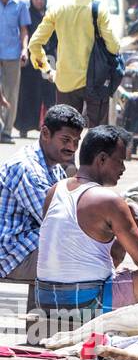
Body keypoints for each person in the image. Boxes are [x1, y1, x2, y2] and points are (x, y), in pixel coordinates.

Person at [35, 125, 138, 314]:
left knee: (118, 249)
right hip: (86, 303)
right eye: (120, 161)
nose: (123, 168)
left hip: (45, 298)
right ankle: (126, 323)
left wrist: (128, 211)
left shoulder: (55, 190)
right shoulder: (109, 201)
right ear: (101, 159)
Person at [0, 105, 86, 309]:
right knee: (85, 255)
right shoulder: (27, 169)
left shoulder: (53, 166)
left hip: (30, 244)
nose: (72, 148)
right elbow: (58, 221)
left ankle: (48, 324)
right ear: (45, 133)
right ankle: (51, 325)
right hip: (11, 254)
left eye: (76, 142)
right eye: (65, 140)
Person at [29, 0, 121, 128]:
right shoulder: (99, 10)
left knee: (65, 134)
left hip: (65, 81)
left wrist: (47, 70)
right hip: (95, 81)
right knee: (97, 135)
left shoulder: (58, 8)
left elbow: (34, 44)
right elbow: (114, 47)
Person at [15, 0, 56, 138]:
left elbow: (55, 37)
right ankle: (23, 126)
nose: (39, 1)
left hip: (48, 59)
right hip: (32, 59)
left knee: (48, 93)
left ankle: (47, 127)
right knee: (28, 92)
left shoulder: (50, 15)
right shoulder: (28, 15)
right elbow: (25, 33)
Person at [0, 0, 31, 142]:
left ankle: (6, 130)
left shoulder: (20, 4)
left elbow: (24, 30)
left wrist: (24, 49)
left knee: (11, 93)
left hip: (12, 54)